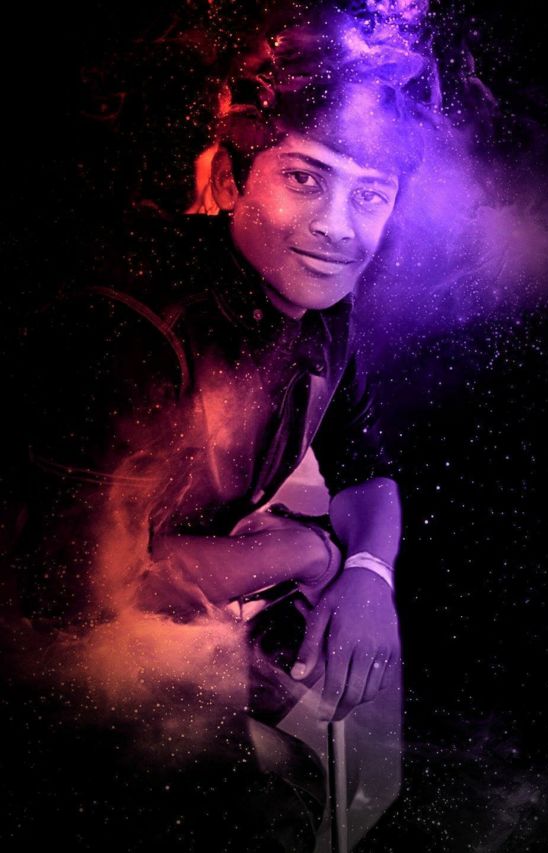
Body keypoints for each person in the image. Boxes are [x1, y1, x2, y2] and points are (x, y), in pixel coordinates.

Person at [8, 3, 436, 849]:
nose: (338, 225)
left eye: (370, 194)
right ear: (236, 178)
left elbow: (365, 468)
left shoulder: (323, 311)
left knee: (351, 763)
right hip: (51, 689)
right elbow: (80, 598)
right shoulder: (131, 326)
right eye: (305, 178)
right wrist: (309, 552)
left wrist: (369, 571)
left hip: (184, 618)